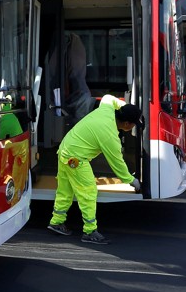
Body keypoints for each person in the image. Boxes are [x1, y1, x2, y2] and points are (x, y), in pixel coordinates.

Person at [47, 95, 143, 244]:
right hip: (76, 159)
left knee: (65, 190)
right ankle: (90, 231)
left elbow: (108, 97)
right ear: (126, 124)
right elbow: (117, 164)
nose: (134, 127)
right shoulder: (109, 135)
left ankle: (56, 221)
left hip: (65, 149)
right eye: (134, 124)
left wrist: (124, 105)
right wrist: (132, 181)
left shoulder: (107, 109)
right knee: (89, 193)